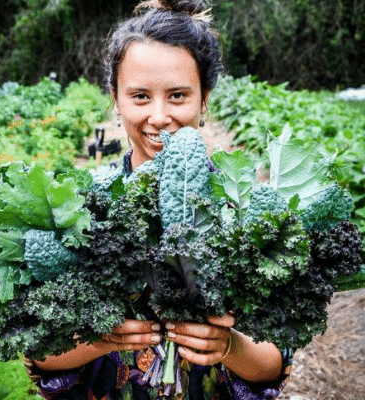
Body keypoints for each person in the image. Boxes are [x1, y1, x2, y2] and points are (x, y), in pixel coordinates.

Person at [24, 1, 292, 399]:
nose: (159, 115)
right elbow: (39, 355)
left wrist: (230, 346)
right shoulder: (82, 207)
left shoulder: (246, 210)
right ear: (116, 100)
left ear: (204, 99)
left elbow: (275, 361)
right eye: (140, 96)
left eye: (178, 95)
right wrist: (98, 341)